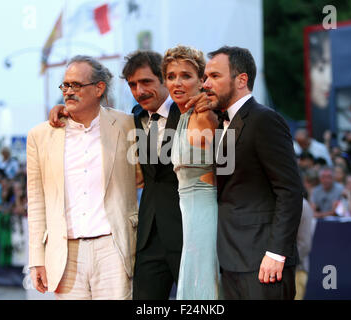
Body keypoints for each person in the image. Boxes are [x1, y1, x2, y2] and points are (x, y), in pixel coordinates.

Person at [192, 46, 303, 299]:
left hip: (264, 260)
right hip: (230, 258)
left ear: (241, 80)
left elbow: (290, 190)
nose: (206, 84)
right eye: (205, 77)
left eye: (215, 76)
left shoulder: (265, 120)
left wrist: (277, 253)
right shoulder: (220, 124)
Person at [27, 55, 138, 300]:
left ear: (99, 88)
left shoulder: (127, 125)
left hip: (113, 246)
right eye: (65, 85)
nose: (68, 91)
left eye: (76, 85)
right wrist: (36, 259)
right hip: (65, 252)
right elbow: (36, 201)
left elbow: (142, 177)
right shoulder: (40, 136)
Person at [122, 50, 184, 300]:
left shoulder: (192, 114)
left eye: (146, 82)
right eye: (132, 85)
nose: (139, 90)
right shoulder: (135, 117)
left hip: (189, 231)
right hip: (149, 236)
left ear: (164, 79)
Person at [162, 45, 220, 299]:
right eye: (171, 76)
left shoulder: (207, 115)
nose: (177, 83)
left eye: (186, 75)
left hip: (208, 218)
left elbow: (228, 168)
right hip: (190, 222)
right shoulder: (183, 116)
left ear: (201, 80)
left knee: (204, 287)